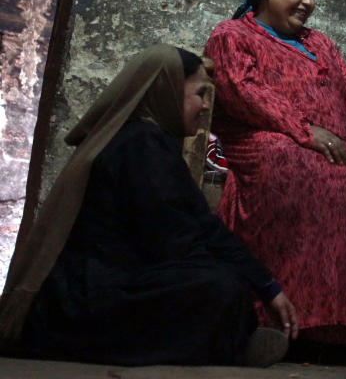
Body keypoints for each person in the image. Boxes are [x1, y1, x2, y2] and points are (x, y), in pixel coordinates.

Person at [0, 44, 298, 367]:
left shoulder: (146, 139)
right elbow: (178, 237)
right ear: (165, 90)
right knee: (220, 287)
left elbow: (194, 226)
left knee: (222, 281)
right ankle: (227, 346)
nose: (205, 106)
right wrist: (256, 282)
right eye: (200, 93)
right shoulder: (143, 144)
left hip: (90, 288)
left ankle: (228, 342)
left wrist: (262, 282)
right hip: (87, 298)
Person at [203, 0, 346, 367]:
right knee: (290, 166)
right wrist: (305, 131)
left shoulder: (320, 43)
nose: (308, 1)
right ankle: (267, 315)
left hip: (329, 146)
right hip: (265, 140)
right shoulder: (232, 35)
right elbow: (243, 92)